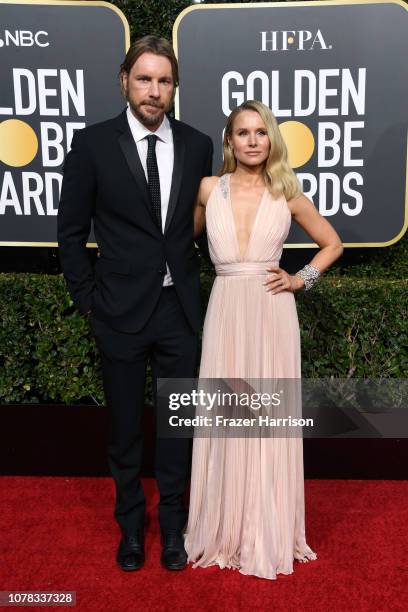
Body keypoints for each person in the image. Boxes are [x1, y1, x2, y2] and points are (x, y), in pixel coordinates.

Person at [57, 35, 213, 572]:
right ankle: (131, 528)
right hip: (118, 313)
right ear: (124, 80)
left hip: (179, 314)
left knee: (176, 428)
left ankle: (173, 527)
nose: (154, 91)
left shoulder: (197, 145)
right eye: (144, 79)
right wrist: (89, 303)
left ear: (175, 88)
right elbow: (71, 233)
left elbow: (197, 229)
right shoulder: (92, 144)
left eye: (164, 81)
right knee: (124, 430)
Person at [184, 100, 343, 580]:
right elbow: (178, 243)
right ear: (229, 141)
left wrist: (300, 280)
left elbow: (332, 243)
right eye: (242, 132)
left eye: (260, 132)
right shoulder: (209, 189)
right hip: (226, 307)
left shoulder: (288, 193)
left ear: (271, 139)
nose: (252, 140)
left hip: (272, 313)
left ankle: (265, 528)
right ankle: (223, 528)